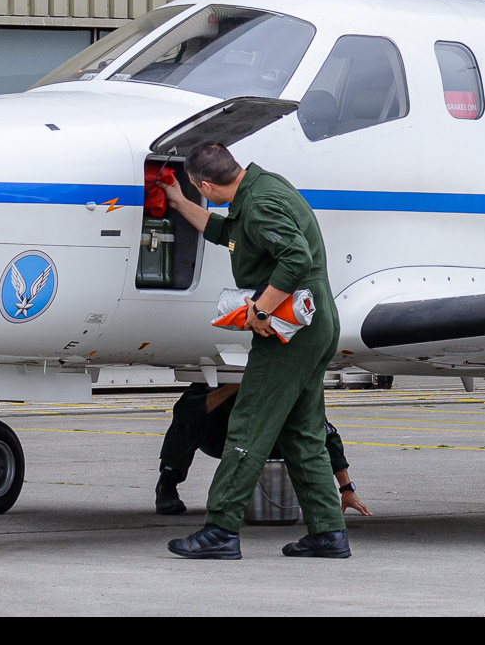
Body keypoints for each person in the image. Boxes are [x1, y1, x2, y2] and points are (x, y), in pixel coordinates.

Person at [156, 141, 349, 559]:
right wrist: (175, 199)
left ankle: (221, 530)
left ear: (205, 183)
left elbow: (294, 258)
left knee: (248, 425)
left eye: (193, 188)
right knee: (301, 431)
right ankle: (328, 532)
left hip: (290, 327)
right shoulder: (263, 187)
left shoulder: (259, 206)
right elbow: (226, 232)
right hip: (317, 320)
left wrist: (260, 309)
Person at [154, 381, 372, 518]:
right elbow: (185, 411)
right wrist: (233, 386)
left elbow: (325, 433)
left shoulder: (281, 384)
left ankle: (297, 499)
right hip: (222, 437)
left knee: (308, 429)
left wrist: (347, 489)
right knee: (188, 417)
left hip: (266, 444)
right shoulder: (209, 382)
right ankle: (168, 483)